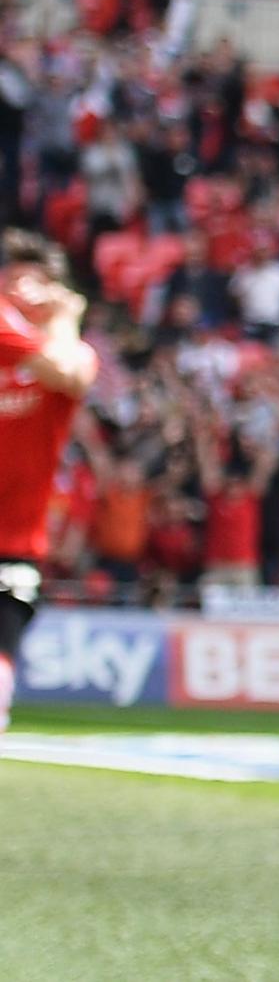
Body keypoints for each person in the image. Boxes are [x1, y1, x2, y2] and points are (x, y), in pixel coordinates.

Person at [0, 227, 100, 732]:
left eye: (37, 284)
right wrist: (65, 316)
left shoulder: (59, 355)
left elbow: (75, 372)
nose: (23, 294)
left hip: (15, 543)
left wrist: (61, 321)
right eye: (14, 280)